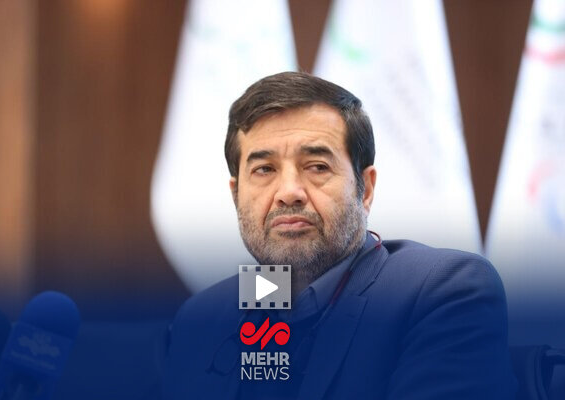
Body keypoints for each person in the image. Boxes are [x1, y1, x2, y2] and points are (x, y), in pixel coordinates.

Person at [163, 71, 517, 399]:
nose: (289, 192)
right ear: (236, 195)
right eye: (265, 169)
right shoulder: (203, 317)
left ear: (366, 189)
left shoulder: (443, 290)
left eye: (317, 166)